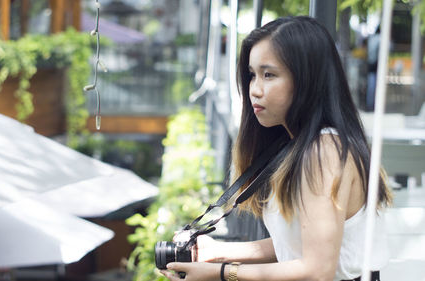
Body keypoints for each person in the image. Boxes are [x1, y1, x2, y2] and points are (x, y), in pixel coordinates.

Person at [160, 16, 392, 281]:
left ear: (307, 79)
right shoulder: (301, 143)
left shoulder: (323, 151)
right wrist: (218, 252)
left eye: (269, 75)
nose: (255, 90)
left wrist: (222, 273)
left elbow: (318, 272)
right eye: (252, 75)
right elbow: (301, 242)